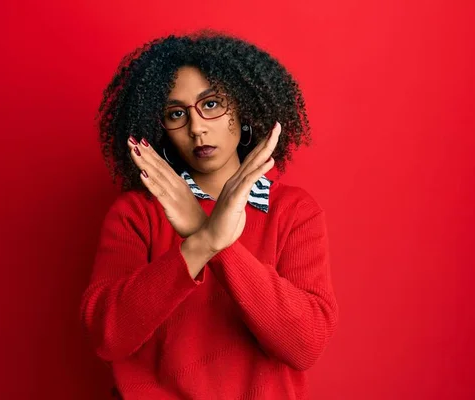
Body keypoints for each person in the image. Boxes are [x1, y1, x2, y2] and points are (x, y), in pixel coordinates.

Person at [80, 30, 338, 399]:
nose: (197, 127)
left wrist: (211, 237)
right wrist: (200, 245)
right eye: (176, 113)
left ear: (244, 107)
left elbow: (304, 345)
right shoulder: (136, 213)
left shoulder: (294, 211)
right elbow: (108, 337)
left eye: (212, 104)